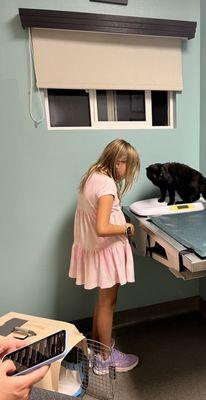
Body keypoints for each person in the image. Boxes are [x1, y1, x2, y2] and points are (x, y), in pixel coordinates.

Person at [69, 139, 140, 374]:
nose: (128, 172)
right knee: (108, 303)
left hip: (97, 252)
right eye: (128, 166)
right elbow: (102, 227)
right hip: (106, 252)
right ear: (119, 162)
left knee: (103, 302)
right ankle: (105, 359)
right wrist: (127, 228)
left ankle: (98, 347)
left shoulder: (93, 175)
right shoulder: (107, 186)